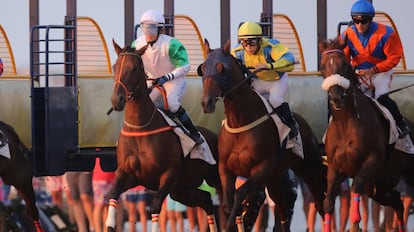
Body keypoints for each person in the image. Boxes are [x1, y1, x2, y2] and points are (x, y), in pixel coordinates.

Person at [132, 9, 203, 144]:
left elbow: (185, 66)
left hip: (174, 80)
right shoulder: (136, 45)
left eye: (151, 28)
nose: (147, 32)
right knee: (144, 104)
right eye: (144, 28)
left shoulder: (172, 44)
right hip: (152, 80)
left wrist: (167, 77)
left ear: (160, 29)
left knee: (172, 104)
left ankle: (193, 132)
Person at [341, 0, 410, 138]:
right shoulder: (346, 35)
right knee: (345, 99)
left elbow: (395, 57)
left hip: (381, 73)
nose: (360, 25)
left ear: (371, 20)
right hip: (359, 74)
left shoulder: (386, 33)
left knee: (381, 97)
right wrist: (353, 70)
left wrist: (374, 70)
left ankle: (401, 124)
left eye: (364, 21)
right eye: (356, 21)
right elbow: (343, 58)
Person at [231, 21, 298, 138]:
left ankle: (292, 125)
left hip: (276, 80)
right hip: (257, 81)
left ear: (260, 40)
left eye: (251, 43)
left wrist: (268, 66)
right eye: (244, 43)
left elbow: (290, 61)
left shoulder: (271, 46)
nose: (248, 47)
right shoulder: (237, 52)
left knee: (275, 100)